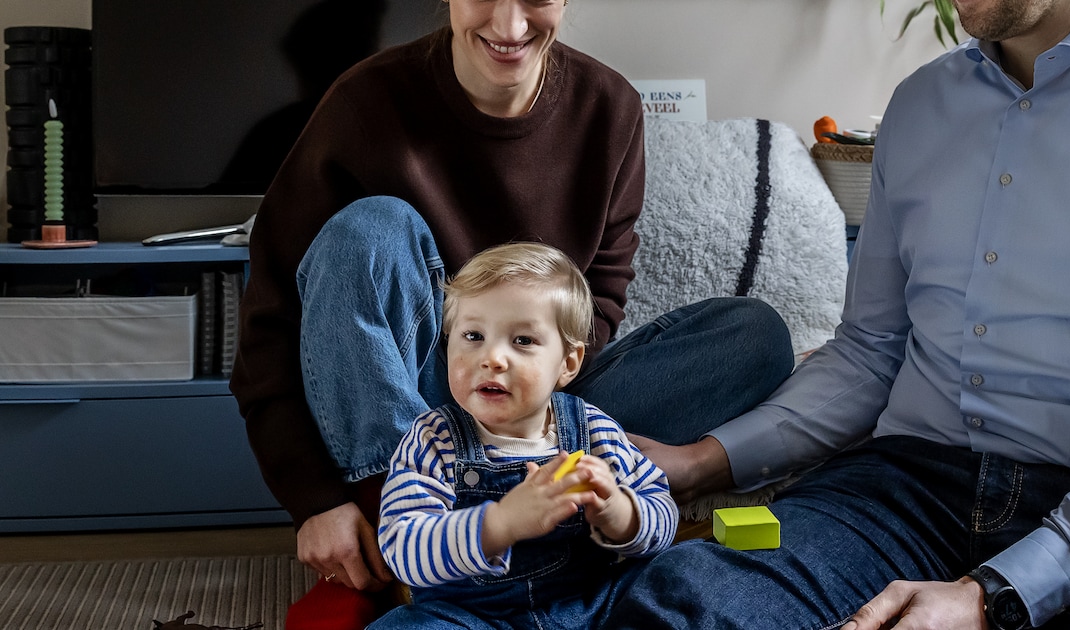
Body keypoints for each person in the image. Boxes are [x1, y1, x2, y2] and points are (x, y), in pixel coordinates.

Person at [610, 0, 1070, 627]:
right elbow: (871, 349)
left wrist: (994, 594)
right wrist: (700, 465)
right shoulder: (922, 102)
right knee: (680, 608)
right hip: (902, 490)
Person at [229, 0, 793, 628]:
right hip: (413, 416)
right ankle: (399, 541)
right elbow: (273, 320)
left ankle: (533, 516)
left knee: (752, 333)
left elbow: (597, 303)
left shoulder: (610, 108)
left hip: (542, 402)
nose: (509, 25)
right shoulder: (362, 103)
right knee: (369, 232)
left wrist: (539, 411)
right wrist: (316, 500)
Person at [369, 242, 677, 628]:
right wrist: (499, 524)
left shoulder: (593, 429)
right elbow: (402, 548)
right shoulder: (433, 440)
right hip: (470, 617)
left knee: (684, 574)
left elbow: (663, 513)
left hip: (589, 607)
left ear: (567, 364)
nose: (492, 358)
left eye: (523, 341)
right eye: (473, 336)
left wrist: (619, 512)